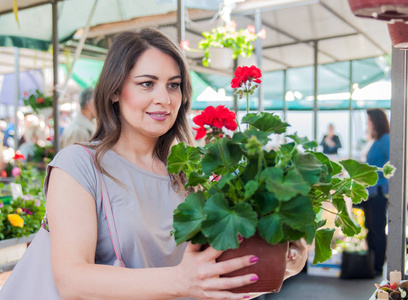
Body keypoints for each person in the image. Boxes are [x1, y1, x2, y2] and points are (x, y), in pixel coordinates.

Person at [0, 28, 307, 300]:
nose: (164, 98)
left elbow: (206, 275)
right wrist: (180, 281)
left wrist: (284, 259)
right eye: (147, 84)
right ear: (116, 91)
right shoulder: (79, 165)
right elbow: (71, 281)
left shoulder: (190, 174)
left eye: (173, 85)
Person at [356, 108, 390, 276]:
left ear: (376, 121)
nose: (367, 124)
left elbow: (392, 164)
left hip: (378, 192)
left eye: (369, 120)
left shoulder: (385, 140)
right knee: (370, 228)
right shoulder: (375, 140)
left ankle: (377, 266)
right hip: (370, 193)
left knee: (377, 229)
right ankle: (372, 264)